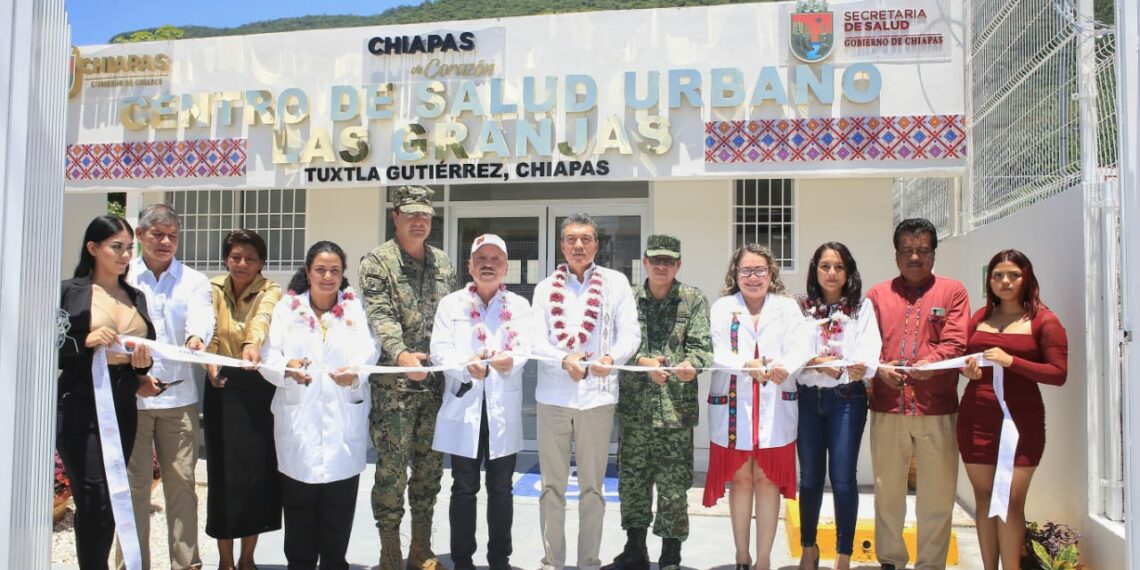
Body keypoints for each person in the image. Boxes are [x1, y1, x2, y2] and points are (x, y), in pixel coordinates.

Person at [531, 213, 640, 570]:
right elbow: (536, 340)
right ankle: (553, 562)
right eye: (572, 239)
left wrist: (613, 356)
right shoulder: (546, 288)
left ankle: (589, 562)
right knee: (552, 487)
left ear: (597, 244)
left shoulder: (616, 283)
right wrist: (564, 358)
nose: (579, 245)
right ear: (562, 245)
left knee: (593, 488)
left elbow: (630, 335)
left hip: (598, 398)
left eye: (587, 239)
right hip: (554, 399)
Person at [261, 241, 378, 569]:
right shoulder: (288, 308)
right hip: (298, 420)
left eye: (335, 270)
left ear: (343, 275)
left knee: (338, 511)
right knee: (299, 511)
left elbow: (371, 350)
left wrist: (355, 373)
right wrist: (287, 368)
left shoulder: (356, 309)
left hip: (344, 418)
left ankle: (334, 563)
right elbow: (268, 353)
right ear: (308, 272)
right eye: (320, 269)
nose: (328, 276)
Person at [358, 185, 458, 570]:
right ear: (395, 216)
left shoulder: (443, 264)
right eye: (411, 214)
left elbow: (451, 319)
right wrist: (401, 354)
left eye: (425, 215)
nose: (419, 221)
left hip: (435, 388)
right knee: (391, 473)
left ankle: (420, 548)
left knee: (430, 472)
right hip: (394, 390)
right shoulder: (377, 262)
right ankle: (389, 552)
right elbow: (379, 314)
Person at [602, 234, 712, 570]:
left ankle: (670, 556)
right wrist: (644, 363)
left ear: (678, 264)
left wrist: (691, 366)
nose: (661, 266)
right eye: (655, 260)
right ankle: (635, 549)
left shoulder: (692, 299)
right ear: (645, 262)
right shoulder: (628, 298)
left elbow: (702, 347)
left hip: (675, 413)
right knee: (633, 483)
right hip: (636, 411)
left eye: (669, 261)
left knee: (674, 489)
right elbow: (615, 343)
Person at [867, 218, 970, 570]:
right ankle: (891, 561)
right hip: (887, 407)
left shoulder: (953, 292)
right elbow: (866, 346)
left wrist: (921, 366)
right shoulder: (877, 295)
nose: (915, 257)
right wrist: (881, 367)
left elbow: (956, 343)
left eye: (923, 250)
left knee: (937, 498)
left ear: (934, 253)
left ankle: (930, 565)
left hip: (936, 409)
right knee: (888, 494)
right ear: (896, 255)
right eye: (907, 250)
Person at [703, 244, 811, 570]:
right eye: (745, 271)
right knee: (740, 480)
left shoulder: (787, 308)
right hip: (733, 405)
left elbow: (800, 347)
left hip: (775, 405)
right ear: (735, 275)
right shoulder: (723, 308)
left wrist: (785, 366)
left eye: (759, 271)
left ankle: (763, 559)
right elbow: (715, 351)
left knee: (766, 480)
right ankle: (741, 556)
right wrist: (745, 364)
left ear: (771, 273)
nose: (752, 277)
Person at [959, 250, 1068, 570]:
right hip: (976, 416)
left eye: (1013, 275)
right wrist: (968, 371)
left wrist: (1012, 361)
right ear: (988, 280)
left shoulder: (1044, 320)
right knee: (983, 498)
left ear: (1026, 278)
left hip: (1022, 421)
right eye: (997, 275)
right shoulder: (979, 318)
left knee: (1008, 500)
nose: (1005, 281)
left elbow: (1059, 373)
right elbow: (965, 360)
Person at [58, 215, 155, 570]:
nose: (126, 255)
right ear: (93, 248)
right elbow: (45, 346)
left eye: (130, 248)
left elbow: (144, 355)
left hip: (122, 401)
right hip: (80, 401)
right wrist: (83, 342)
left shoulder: (135, 296)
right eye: (117, 247)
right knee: (94, 495)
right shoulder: (70, 292)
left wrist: (143, 367)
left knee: (113, 496)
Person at [430, 234, 532, 570]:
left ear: (506, 266)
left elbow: (524, 348)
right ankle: (462, 560)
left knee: (502, 488)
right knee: (463, 487)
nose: (488, 265)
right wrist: (464, 364)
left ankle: (499, 558)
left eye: (496, 259)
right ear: (470, 266)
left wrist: (511, 361)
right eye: (481, 259)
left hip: (501, 406)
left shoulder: (519, 306)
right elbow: (439, 350)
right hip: (465, 407)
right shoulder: (452, 304)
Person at [122, 204, 213, 570]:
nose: (165, 242)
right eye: (157, 234)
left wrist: (196, 338)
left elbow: (201, 315)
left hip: (179, 399)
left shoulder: (193, 280)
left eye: (172, 235)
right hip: (131, 398)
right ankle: (131, 563)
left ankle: (186, 563)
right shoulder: (123, 277)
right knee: (134, 491)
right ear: (140, 236)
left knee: (182, 487)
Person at [189, 229, 283, 570]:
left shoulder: (270, 289)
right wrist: (211, 363)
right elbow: (207, 325)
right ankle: (225, 560)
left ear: (261, 263)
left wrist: (251, 345)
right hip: (221, 385)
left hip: (257, 387)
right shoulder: (211, 287)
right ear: (226, 259)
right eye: (235, 257)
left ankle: (247, 559)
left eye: (251, 258)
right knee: (224, 477)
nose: (242, 264)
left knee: (255, 476)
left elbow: (262, 319)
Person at [793, 242, 882, 570]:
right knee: (810, 478)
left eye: (839, 267)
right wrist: (816, 362)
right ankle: (808, 548)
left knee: (843, 478)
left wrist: (860, 366)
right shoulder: (800, 306)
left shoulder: (862, 307)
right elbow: (792, 350)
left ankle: (843, 555)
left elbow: (872, 351)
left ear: (849, 271)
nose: (831, 273)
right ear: (815, 270)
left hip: (847, 399)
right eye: (825, 266)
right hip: (808, 400)